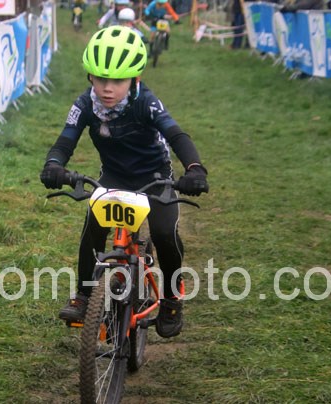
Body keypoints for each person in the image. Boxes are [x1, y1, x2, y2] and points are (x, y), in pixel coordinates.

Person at [40, 26, 209, 338]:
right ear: (90, 77)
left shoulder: (146, 102)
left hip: (155, 177)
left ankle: (172, 298)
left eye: (118, 80)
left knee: (164, 233)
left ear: (135, 78)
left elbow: (176, 135)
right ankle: (85, 294)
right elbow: (65, 141)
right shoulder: (85, 104)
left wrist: (195, 169)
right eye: (100, 78)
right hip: (114, 176)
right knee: (92, 227)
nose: (107, 88)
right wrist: (53, 165)